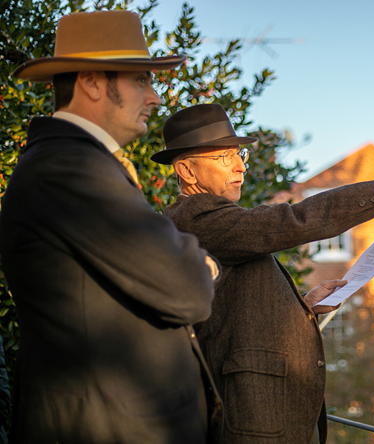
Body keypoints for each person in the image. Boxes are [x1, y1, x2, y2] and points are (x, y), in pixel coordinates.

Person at [150, 104, 374, 444]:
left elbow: (228, 313)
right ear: (187, 171)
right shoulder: (195, 219)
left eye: (239, 155)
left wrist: (302, 307)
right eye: (225, 157)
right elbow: (292, 221)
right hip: (254, 423)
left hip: (271, 418)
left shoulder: (215, 221)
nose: (240, 166)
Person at [0, 11, 223, 444]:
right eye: (141, 80)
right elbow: (190, 290)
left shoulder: (76, 163)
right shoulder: (70, 166)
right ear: (92, 82)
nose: (155, 97)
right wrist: (205, 265)